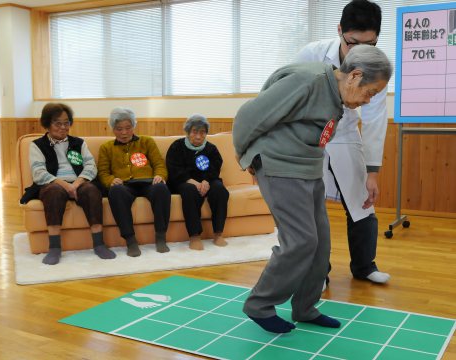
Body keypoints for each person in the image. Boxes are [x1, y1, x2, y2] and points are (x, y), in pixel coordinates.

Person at [233, 45, 392, 334]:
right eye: (370, 92)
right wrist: (246, 157)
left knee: (320, 242)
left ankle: (305, 307)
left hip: (308, 166)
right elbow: (248, 117)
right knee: (301, 241)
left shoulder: (337, 94)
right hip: (279, 165)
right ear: (355, 76)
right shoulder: (309, 81)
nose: (368, 101)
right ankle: (259, 304)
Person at [294, 0, 390, 286]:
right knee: (313, 209)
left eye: (370, 44)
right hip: (311, 137)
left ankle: (364, 266)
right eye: (353, 43)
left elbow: (374, 117)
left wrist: (373, 171)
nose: (361, 52)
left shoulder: (375, 65)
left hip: (346, 136)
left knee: (362, 202)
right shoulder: (311, 54)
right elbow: (291, 94)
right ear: (340, 31)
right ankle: (318, 272)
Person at [20, 103, 116, 265]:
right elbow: (39, 173)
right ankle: (55, 248)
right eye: (58, 123)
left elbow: (90, 166)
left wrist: (77, 183)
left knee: (92, 190)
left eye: (66, 123)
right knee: (54, 192)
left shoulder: (79, 143)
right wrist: (65, 185)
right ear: (47, 124)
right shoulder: (37, 145)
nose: (63, 127)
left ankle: (99, 244)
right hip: (53, 184)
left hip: (78, 182)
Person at [97, 107, 171, 256]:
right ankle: (130, 240)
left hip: (148, 182)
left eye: (128, 128)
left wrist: (160, 176)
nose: (124, 133)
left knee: (161, 188)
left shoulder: (147, 142)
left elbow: (159, 164)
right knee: (115, 191)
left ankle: (161, 237)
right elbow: (103, 173)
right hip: (124, 186)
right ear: (113, 129)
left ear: (133, 126)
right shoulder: (106, 148)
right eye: (119, 129)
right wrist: (111, 180)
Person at [166, 114, 229, 250]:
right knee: (189, 191)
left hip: (208, 180)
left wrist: (206, 180)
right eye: (195, 132)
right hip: (184, 181)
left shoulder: (211, 148)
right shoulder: (177, 146)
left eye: (202, 132)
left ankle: (218, 234)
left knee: (220, 190)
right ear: (188, 132)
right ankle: (194, 236)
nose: (199, 136)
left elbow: (215, 167)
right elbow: (175, 170)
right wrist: (195, 183)